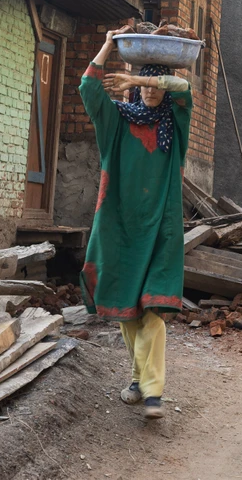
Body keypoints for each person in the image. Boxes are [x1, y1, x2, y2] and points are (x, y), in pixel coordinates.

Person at [79, 27, 193, 419]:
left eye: (153, 83)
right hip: (119, 228)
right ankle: (137, 379)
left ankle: (154, 393)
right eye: (142, 84)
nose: (148, 91)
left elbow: (182, 86)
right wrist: (110, 44)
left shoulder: (176, 124)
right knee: (129, 313)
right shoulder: (115, 121)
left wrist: (137, 74)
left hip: (161, 227)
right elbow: (87, 88)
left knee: (154, 310)